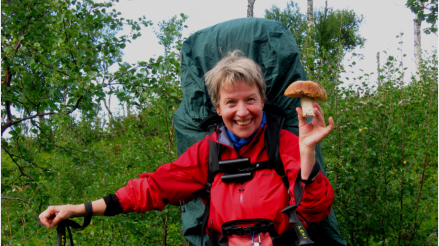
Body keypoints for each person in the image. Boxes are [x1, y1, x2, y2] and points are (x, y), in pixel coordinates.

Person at [39, 50, 335, 244]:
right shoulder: (206, 154)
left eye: (250, 99)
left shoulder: (284, 144)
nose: (242, 111)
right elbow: (151, 189)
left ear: (262, 100)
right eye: (231, 102)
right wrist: (79, 209)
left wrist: (307, 151)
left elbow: (316, 210)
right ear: (218, 108)